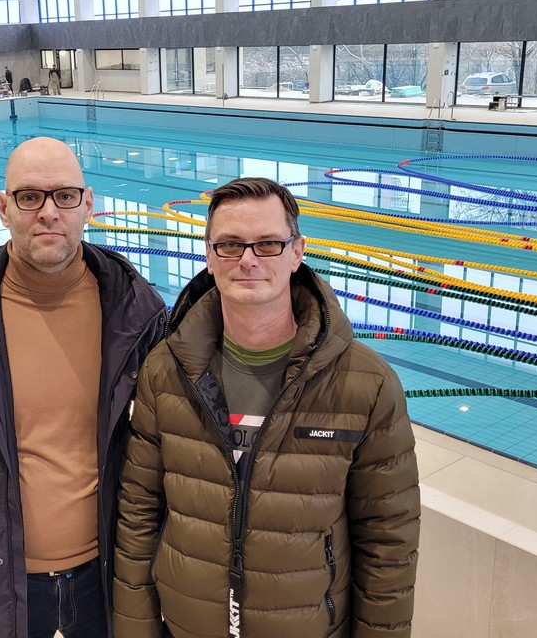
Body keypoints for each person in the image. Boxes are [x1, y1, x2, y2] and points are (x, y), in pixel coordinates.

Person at [113, 177, 420, 638]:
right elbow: (139, 514)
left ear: (297, 252)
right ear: (209, 255)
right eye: (230, 245)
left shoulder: (366, 385)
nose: (248, 260)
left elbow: (388, 545)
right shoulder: (165, 371)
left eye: (268, 244)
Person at [0, 136, 167, 638]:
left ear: (88, 204)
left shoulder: (136, 311)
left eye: (64, 195)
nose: (48, 212)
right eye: (29, 197)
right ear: (3, 208)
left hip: (111, 575)